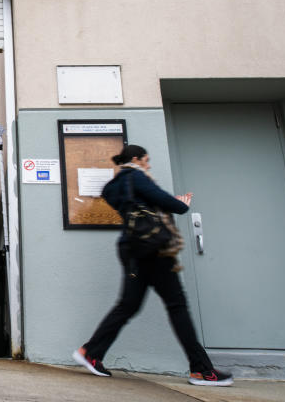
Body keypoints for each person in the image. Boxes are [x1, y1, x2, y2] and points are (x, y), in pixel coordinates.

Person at [71, 144, 233, 387]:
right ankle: (201, 370)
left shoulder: (112, 186)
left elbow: (131, 206)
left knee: (128, 305)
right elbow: (168, 203)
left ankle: (91, 352)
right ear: (136, 159)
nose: (148, 165)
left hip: (131, 248)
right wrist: (183, 203)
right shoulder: (137, 177)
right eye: (146, 160)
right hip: (153, 249)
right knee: (177, 306)